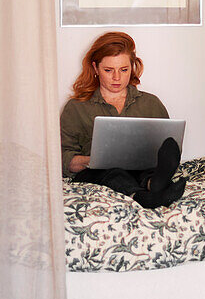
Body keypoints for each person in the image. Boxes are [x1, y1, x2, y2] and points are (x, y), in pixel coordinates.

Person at [60, 32, 186, 208]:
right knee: (114, 173)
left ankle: (154, 183)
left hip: (141, 169)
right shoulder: (76, 107)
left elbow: (165, 147)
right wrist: (92, 160)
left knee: (147, 168)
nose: (117, 78)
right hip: (97, 173)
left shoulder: (151, 103)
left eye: (124, 70)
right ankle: (145, 195)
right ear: (95, 68)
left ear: (132, 67)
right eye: (108, 70)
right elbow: (65, 159)